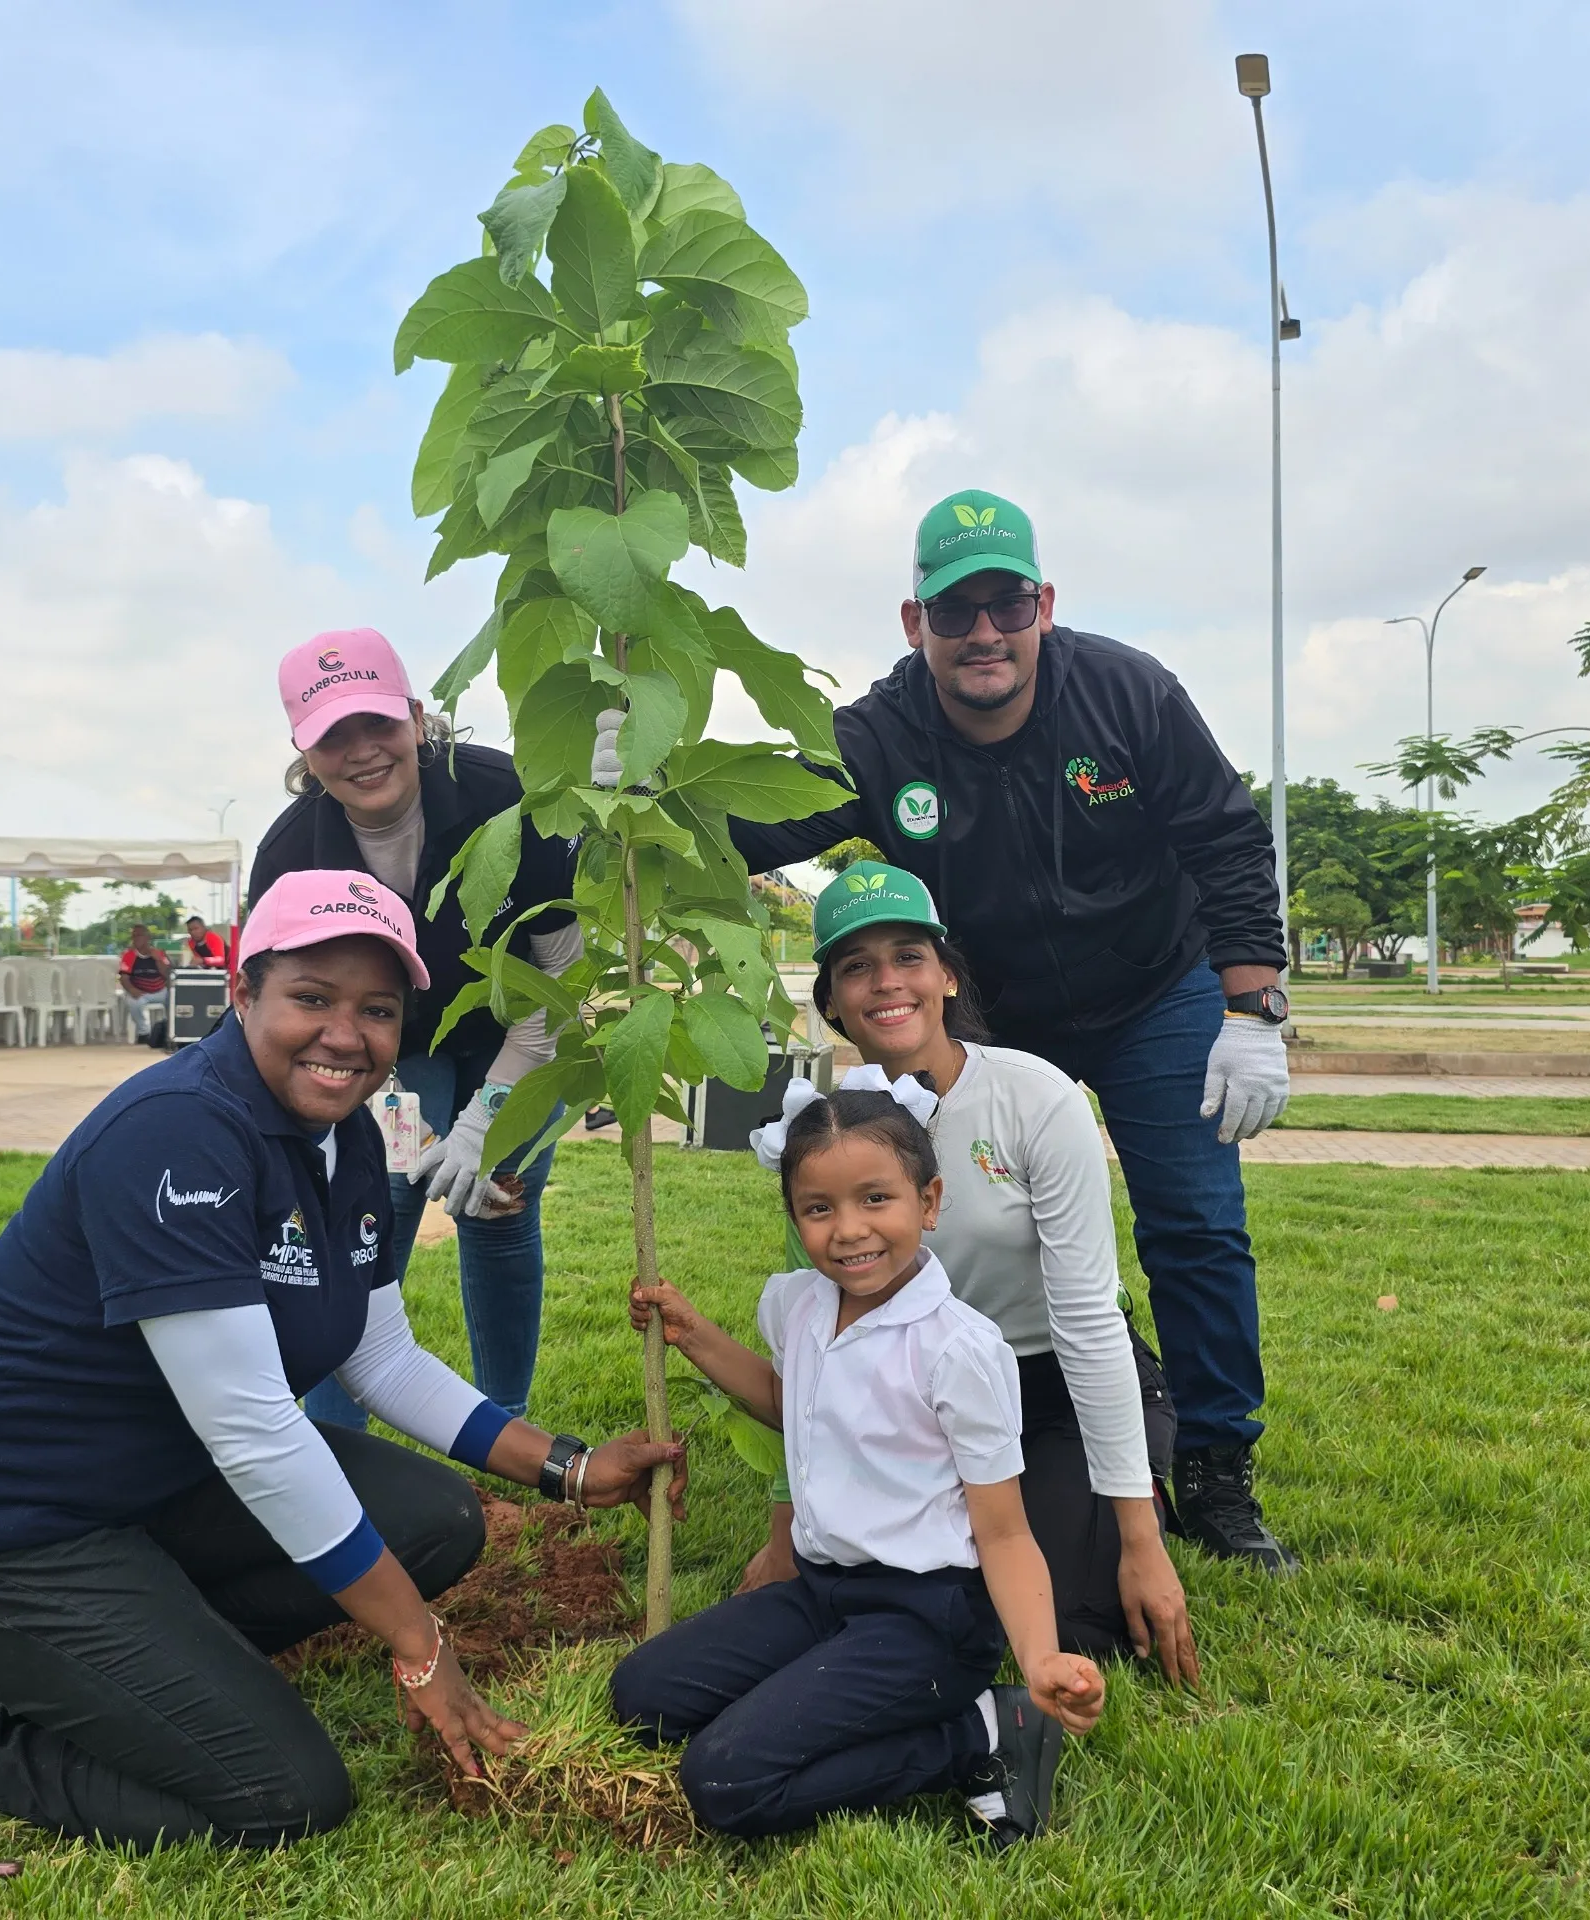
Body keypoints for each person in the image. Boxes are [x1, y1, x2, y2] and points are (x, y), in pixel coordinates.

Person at [0, 869, 686, 1850]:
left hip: (143, 1490)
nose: (345, 1035)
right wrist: (419, 1641)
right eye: (311, 998)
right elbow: (255, 1431)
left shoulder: (351, 1132)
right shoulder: (176, 1133)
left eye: (377, 1009)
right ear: (241, 991)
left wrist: (564, 1469)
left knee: (436, 1523)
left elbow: (379, 1355)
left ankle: (143, 1667)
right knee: (283, 1794)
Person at [702, 488, 1299, 1570]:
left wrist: (1252, 1006)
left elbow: (1223, 839)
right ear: (912, 622)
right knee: (933, 1217)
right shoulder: (877, 736)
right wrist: (654, 788)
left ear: (1044, 606)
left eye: (1006, 604)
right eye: (954, 611)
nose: (982, 631)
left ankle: (1213, 1467)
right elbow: (758, 818)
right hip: (987, 1007)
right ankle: (926, 1421)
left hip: (1153, 989)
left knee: (1195, 1226)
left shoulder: (1128, 694)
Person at [736, 862, 1199, 1678]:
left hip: (1052, 1384)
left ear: (946, 976)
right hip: (921, 1397)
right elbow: (812, 1348)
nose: (887, 983)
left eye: (908, 956)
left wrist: (1137, 1541)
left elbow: (1088, 1319)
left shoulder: (1035, 1099)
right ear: (833, 1001)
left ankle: (1139, 1493)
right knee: (917, 1591)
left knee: (1061, 1619)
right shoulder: (822, 1128)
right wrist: (786, 1537)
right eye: (855, 967)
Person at [612, 1082, 1107, 1845]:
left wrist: (1041, 1656)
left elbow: (1004, 1534)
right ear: (794, 1216)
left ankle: (978, 1733)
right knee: (640, 1696)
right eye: (819, 1209)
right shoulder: (799, 1305)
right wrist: (693, 1333)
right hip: (822, 1593)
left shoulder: (958, 1349)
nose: (849, 1231)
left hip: (926, 1618)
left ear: (929, 1201)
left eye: (876, 1198)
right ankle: (832, 1685)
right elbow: (791, 1400)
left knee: (725, 1780)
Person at [249, 628, 580, 1426]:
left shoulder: (510, 798)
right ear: (304, 749)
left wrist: (487, 1121)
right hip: (386, 1043)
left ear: (416, 717)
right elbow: (313, 1020)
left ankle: (508, 1418)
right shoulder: (293, 855)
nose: (362, 752)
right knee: (374, 1206)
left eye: (378, 724)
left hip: (521, 1024)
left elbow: (562, 984)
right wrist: (406, 1132)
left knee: (499, 1200)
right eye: (332, 734)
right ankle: (337, 1436)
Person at [116, 923, 172, 1042]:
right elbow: (124, 978)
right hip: (141, 992)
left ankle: (169, 1031)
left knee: (174, 999)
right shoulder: (128, 955)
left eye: (139, 935)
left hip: (160, 991)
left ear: (147, 938)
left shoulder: (159, 953)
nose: (136, 938)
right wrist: (131, 989)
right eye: (134, 936)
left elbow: (168, 974)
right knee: (133, 1002)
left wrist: (158, 959)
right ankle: (144, 1033)